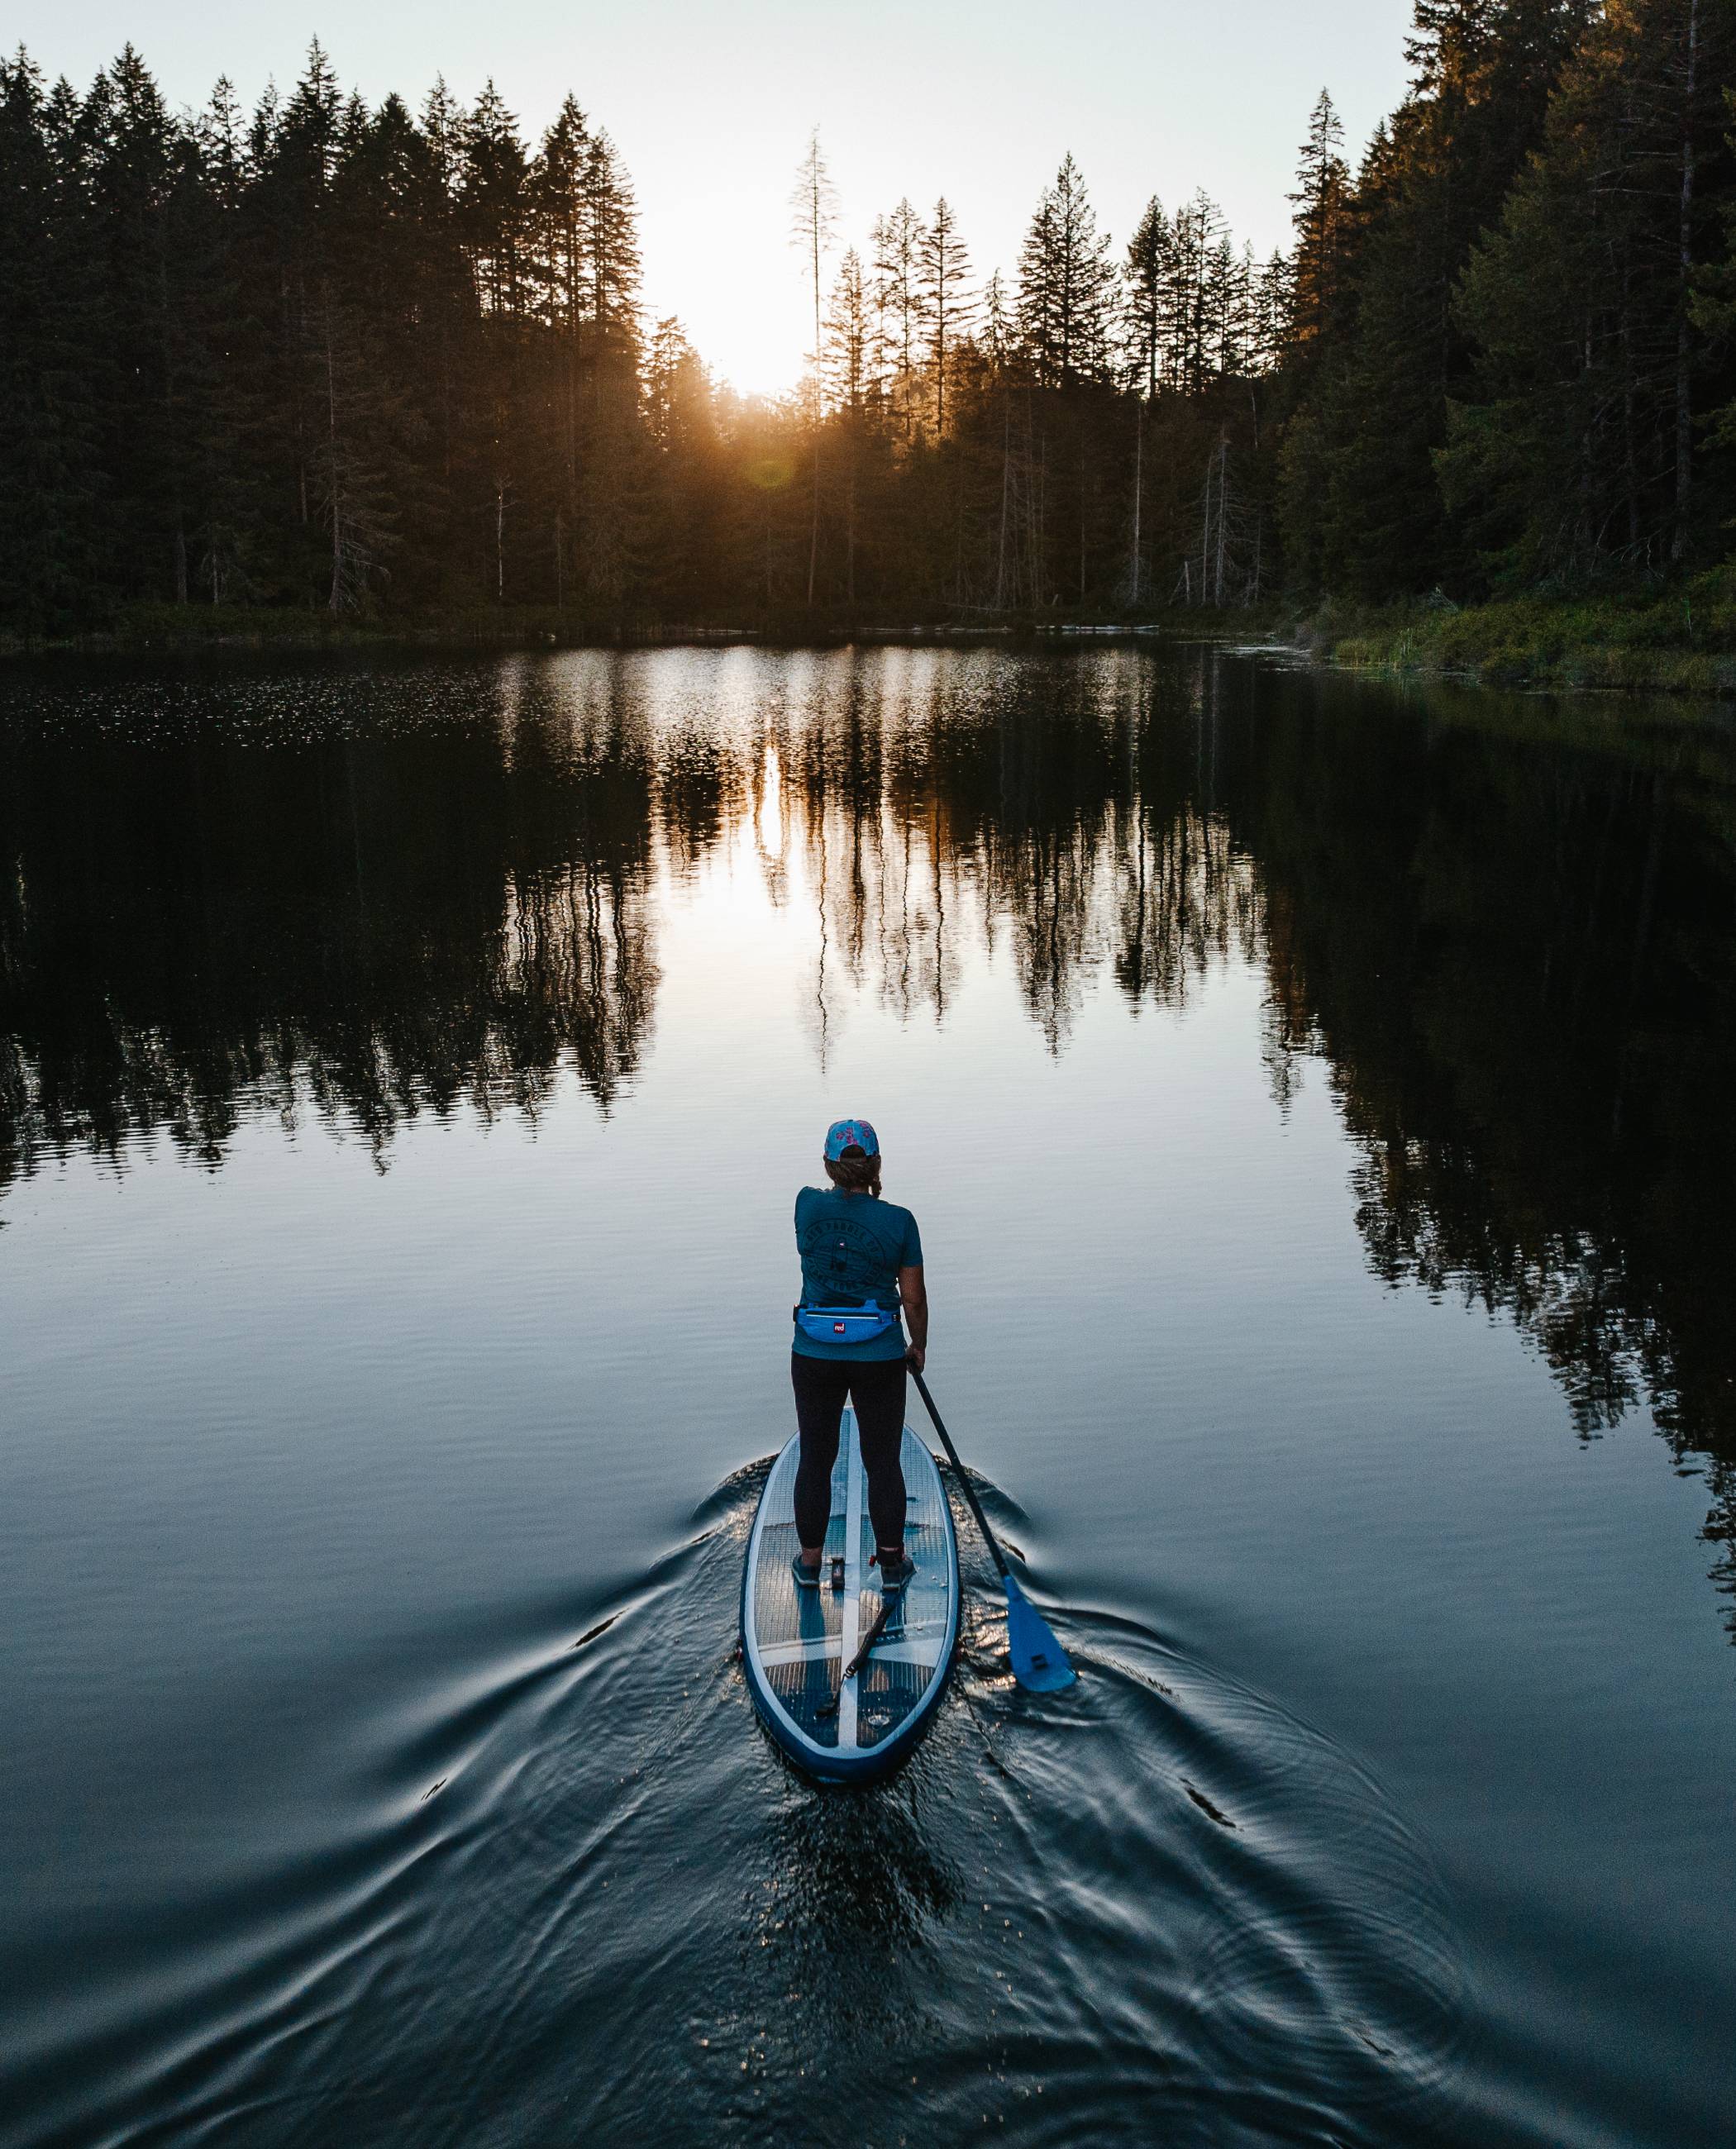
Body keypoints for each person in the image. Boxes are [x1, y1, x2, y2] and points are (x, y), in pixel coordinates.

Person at [790, 1117, 928, 1599]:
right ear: (876, 1165)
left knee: (816, 1457)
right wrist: (918, 1346)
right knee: (882, 1462)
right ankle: (891, 1564)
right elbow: (912, 1298)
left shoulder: (805, 1205)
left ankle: (808, 1565)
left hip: (814, 1354)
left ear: (828, 1165)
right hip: (880, 1357)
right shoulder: (900, 1221)